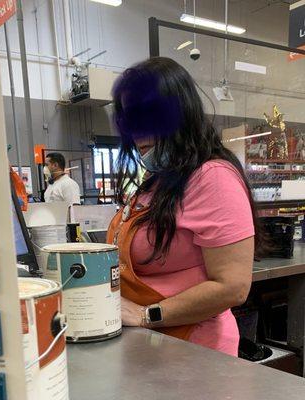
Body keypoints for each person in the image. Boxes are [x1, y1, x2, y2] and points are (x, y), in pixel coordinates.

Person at [107, 57, 258, 357]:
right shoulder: (159, 180)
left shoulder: (212, 177)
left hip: (195, 351)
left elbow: (233, 287)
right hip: (157, 347)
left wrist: (144, 315)